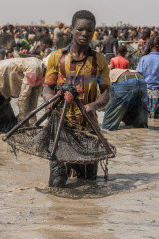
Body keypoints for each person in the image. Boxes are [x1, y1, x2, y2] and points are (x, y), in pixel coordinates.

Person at [43, 10, 110, 188]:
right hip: (60, 131)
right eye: (80, 29)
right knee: (57, 185)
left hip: (88, 131)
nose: (84, 34)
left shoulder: (99, 61)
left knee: (89, 185)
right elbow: (47, 88)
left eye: (89, 31)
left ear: (94, 31)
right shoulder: (57, 58)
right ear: (71, 29)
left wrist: (94, 106)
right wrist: (50, 101)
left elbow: (106, 93)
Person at [0, 57, 44, 135]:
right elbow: (24, 97)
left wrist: (32, 123)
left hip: (1, 89)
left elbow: (33, 99)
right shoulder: (35, 68)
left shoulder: (41, 74)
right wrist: (24, 120)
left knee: (9, 128)